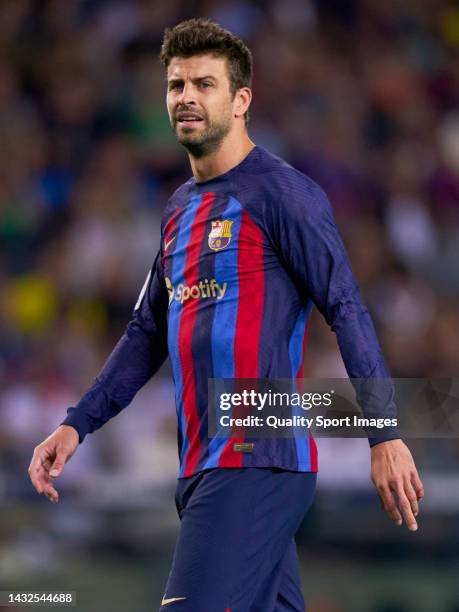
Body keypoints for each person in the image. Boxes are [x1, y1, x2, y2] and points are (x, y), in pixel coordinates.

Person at [28, 18, 424, 612]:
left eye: (204, 84)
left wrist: (384, 431)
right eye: (176, 85)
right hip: (202, 465)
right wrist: (77, 423)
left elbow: (345, 306)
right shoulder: (178, 209)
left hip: (254, 458)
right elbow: (146, 330)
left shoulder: (283, 195)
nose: (186, 97)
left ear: (241, 101)